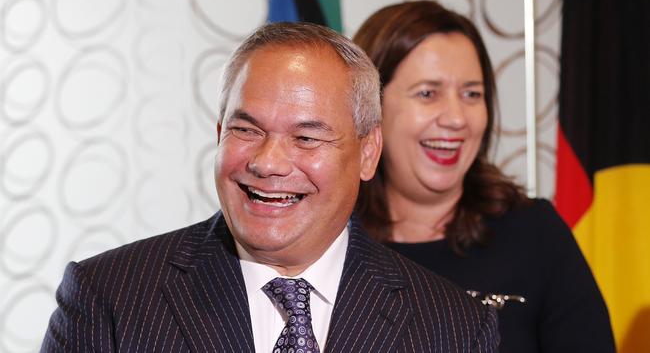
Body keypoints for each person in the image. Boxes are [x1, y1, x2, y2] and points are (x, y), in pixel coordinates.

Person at [41, 22, 500, 353]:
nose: (267, 163)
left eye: (306, 137)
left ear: (367, 152)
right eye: (247, 130)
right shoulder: (109, 298)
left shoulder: (454, 326)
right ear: (219, 131)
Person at [353, 0, 615, 353]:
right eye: (428, 93)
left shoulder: (534, 232)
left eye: (471, 94)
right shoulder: (330, 240)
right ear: (371, 110)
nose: (457, 117)